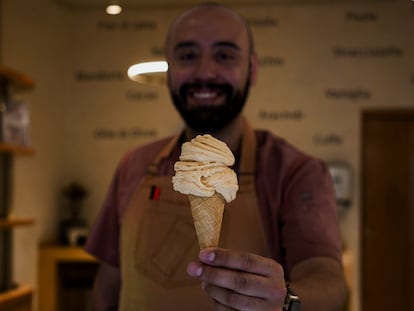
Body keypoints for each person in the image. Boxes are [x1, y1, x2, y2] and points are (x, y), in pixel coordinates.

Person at [85, 3, 348, 311]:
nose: (205, 72)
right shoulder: (134, 165)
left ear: (252, 69)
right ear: (169, 70)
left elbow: (330, 284)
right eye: (187, 56)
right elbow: (107, 286)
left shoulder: (295, 171)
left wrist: (288, 301)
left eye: (224, 55)